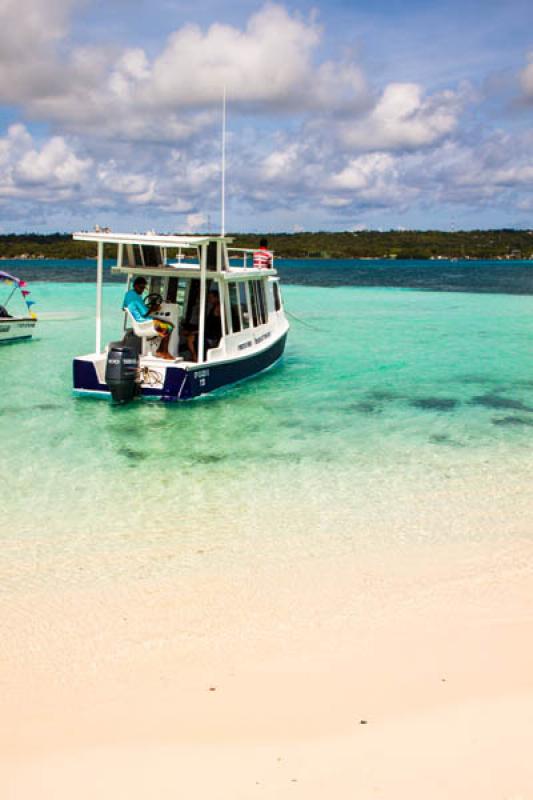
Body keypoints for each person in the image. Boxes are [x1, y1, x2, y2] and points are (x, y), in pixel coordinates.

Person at [122, 276, 174, 360]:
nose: (142, 290)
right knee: (169, 327)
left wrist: (147, 308)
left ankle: (160, 350)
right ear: (135, 286)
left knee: (165, 323)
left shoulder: (128, 294)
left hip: (140, 323)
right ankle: (163, 351)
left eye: (143, 288)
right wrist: (154, 308)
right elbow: (145, 313)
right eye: (141, 287)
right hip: (144, 323)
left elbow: (123, 308)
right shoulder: (136, 297)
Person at [183, 289, 221, 362]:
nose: (209, 299)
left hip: (211, 335)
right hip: (207, 332)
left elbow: (215, 326)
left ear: (216, 298)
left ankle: (195, 357)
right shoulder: (213, 307)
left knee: (190, 338)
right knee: (186, 333)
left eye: (211, 297)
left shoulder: (218, 308)